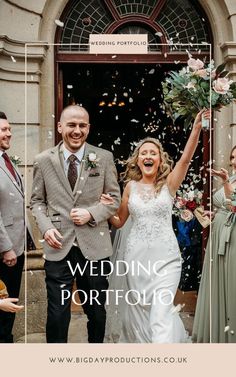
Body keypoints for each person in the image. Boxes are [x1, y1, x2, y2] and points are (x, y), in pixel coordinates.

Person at [101, 109, 210, 343]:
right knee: (139, 312)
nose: (148, 156)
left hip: (166, 259)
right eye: (144, 153)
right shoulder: (130, 187)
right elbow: (119, 222)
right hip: (135, 259)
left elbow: (185, 160)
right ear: (138, 160)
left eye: (153, 153)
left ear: (160, 160)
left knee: (160, 313)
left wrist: (196, 129)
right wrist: (107, 209)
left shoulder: (168, 185)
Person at [30, 105, 121, 343]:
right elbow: (37, 202)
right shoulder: (42, 160)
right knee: (57, 314)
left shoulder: (103, 157)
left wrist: (92, 213)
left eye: (82, 125)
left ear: (88, 128)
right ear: (60, 127)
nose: (77, 130)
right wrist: (47, 227)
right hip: (58, 246)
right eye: (71, 125)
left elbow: (115, 200)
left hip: (95, 246)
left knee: (97, 313)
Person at [192, 145, 236, 343]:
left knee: (231, 282)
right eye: (232, 157)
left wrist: (225, 181)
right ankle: (219, 335)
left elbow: (233, 202)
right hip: (218, 235)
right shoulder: (233, 177)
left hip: (232, 237)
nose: (234, 161)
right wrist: (212, 214)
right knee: (219, 281)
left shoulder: (230, 179)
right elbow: (226, 207)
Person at [0, 111, 25, 342]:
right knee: (4, 305)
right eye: (3, 130)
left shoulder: (6, 160)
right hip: (4, 249)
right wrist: (6, 247)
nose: (9, 133)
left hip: (16, 245)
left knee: (10, 305)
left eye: (8, 129)